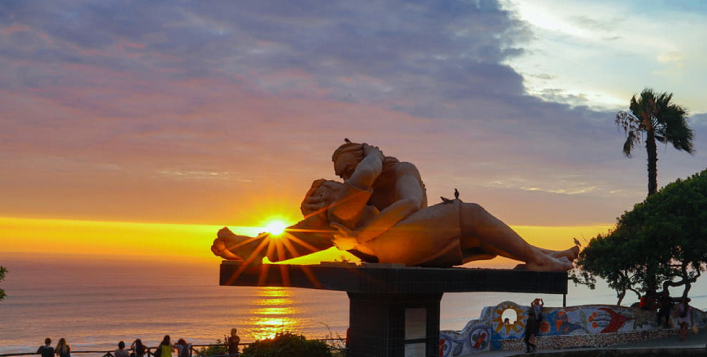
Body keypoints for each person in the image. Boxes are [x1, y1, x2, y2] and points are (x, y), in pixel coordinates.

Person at [213, 147, 578, 272]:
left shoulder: (401, 171)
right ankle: (540, 258)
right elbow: (315, 230)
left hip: (400, 242)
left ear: (365, 158)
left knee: (473, 224)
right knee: (470, 214)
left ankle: (543, 255)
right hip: (390, 247)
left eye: (348, 168)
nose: (345, 177)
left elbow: (409, 205)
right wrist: (354, 232)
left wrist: (359, 235)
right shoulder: (356, 195)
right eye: (340, 175)